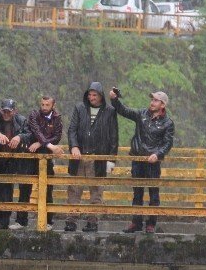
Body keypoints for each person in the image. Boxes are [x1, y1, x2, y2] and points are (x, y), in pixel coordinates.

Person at [110, 89, 175, 234]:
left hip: (153, 162)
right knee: (137, 192)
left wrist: (157, 154)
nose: (152, 102)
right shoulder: (141, 114)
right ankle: (136, 222)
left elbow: (168, 143)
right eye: (152, 100)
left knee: (153, 193)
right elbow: (124, 110)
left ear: (162, 104)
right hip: (138, 158)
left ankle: (151, 224)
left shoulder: (168, 123)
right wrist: (114, 99)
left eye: (155, 100)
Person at [65, 82, 118, 233]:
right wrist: (74, 146)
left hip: (99, 157)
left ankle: (92, 222)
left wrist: (111, 160)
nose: (91, 97)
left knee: (96, 191)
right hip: (79, 156)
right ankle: (71, 221)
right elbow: (72, 130)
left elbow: (114, 137)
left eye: (94, 95)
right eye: (89, 94)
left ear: (101, 96)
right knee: (74, 190)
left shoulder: (109, 111)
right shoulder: (79, 108)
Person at [0, 99, 31, 230]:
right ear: (0, 110)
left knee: (7, 190)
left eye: (8, 112)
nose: (6, 114)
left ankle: (4, 221)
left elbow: (29, 134)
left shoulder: (21, 120)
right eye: (4, 111)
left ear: (14, 111)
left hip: (13, 159)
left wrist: (19, 137)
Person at [26, 95, 64, 231]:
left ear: (53, 105)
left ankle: (48, 221)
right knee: (25, 187)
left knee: (48, 189)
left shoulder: (57, 117)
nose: (44, 107)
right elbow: (36, 131)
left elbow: (58, 136)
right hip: (31, 154)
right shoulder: (34, 114)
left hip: (46, 156)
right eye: (42, 104)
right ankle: (21, 220)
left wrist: (41, 143)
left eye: (47, 105)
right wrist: (50, 145)